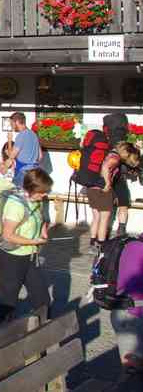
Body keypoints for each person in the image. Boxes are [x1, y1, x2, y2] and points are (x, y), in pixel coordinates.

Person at [0, 168, 53, 323]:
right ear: (31, 190)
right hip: (12, 256)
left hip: (30, 255)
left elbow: (41, 218)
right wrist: (34, 242)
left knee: (42, 297)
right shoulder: (16, 206)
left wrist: (43, 231)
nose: (45, 195)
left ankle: (44, 332)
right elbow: (8, 235)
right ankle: (0, 333)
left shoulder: (36, 201)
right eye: (42, 192)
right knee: (9, 297)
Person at [87, 142, 140, 251]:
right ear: (125, 152)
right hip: (102, 189)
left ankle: (92, 241)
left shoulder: (109, 153)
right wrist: (107, 183)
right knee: (104, 219)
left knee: (96, 217)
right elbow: (105, 167)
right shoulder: (115, 158)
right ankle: (101, 244)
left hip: (92, 187)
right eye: (128, 156)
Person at [111, 237, 143, 375]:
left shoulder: (130, 245)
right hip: (135, 316)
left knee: (129, 368)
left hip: (119, 311)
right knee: (134, 370)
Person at [10, 112, 43, 187]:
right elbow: (40, 156)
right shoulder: (34, 135)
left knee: (18, 196)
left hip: (22, 172)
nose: (12, 127)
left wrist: (9, 141)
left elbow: (12, 156)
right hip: (34, 171)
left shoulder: (21, 136)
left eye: (12, 124)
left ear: (17, 122)